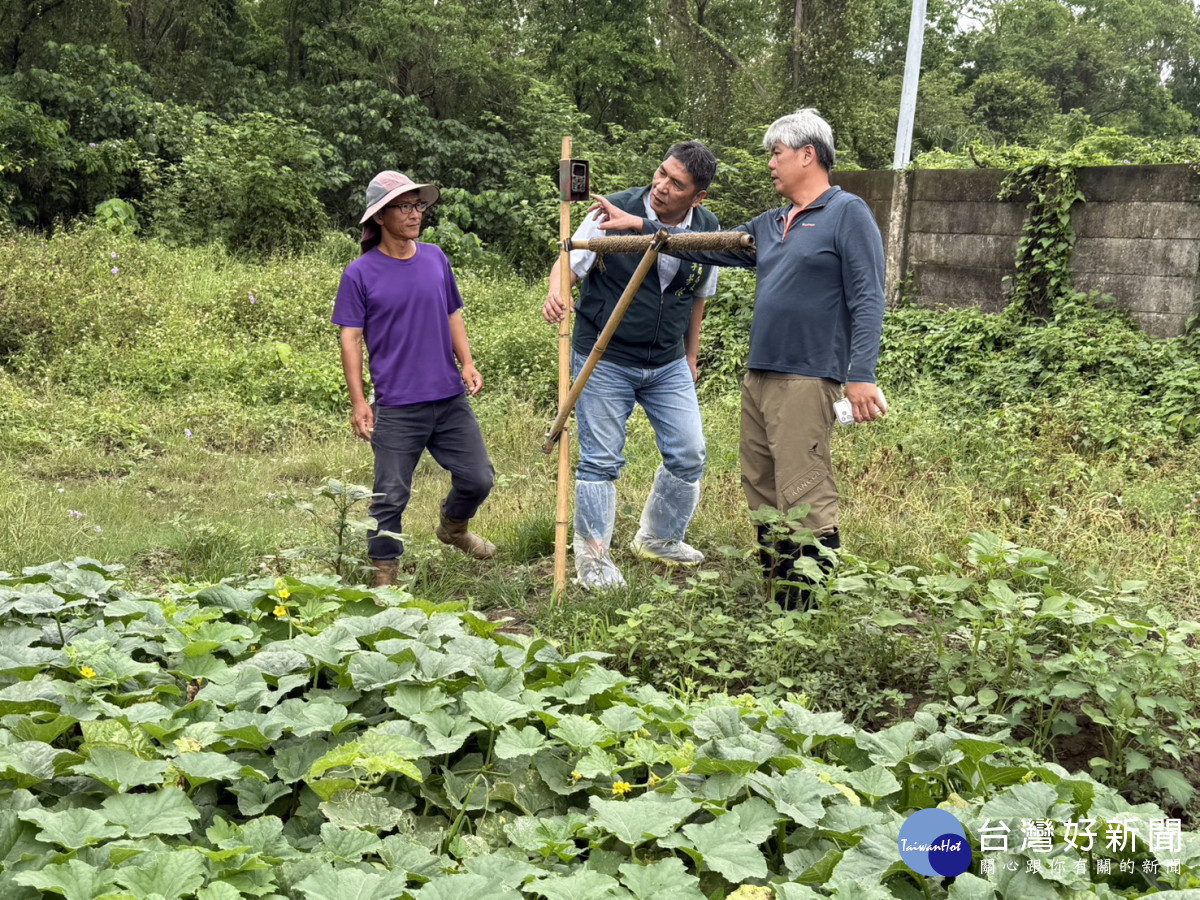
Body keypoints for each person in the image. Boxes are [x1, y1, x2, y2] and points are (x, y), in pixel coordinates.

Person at [605, 109, 886, 609]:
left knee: (804, 486)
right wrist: (648, 227)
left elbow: (868, 296)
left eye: (776, 154)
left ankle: (805, 611)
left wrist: (861, 375)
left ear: (807, 155)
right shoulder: (772, 223)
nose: (771, 164)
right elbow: (707, 246)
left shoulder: (847, 213)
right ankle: (777, 595)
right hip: (760, 375)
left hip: (808, 375)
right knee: (760, 485)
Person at [543, 140, 720, 589]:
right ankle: (594, 560)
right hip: (605, 357)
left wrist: (691, 355)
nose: (660, 186)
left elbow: (698, 296)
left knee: (689, 451)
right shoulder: (611, 211)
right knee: (600, 461)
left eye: (675, 183)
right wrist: (557, 290)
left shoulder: (707, 227)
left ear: (698, 197)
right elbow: (569, 258)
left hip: (666, 362)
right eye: (661, 173)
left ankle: (658, 538)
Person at [333, 170, 497, 588]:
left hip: (448, 398)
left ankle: (453, 528)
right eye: (403, 207)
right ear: (380, 218)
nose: (414, 214)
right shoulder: (360, 273)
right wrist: (359, 402)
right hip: (398, 403)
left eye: (417, 205)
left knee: (479, 477)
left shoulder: (435, 258)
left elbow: (451, 312)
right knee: (389, 496)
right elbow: (350, 339)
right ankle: (384, 574)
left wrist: (468, 362)